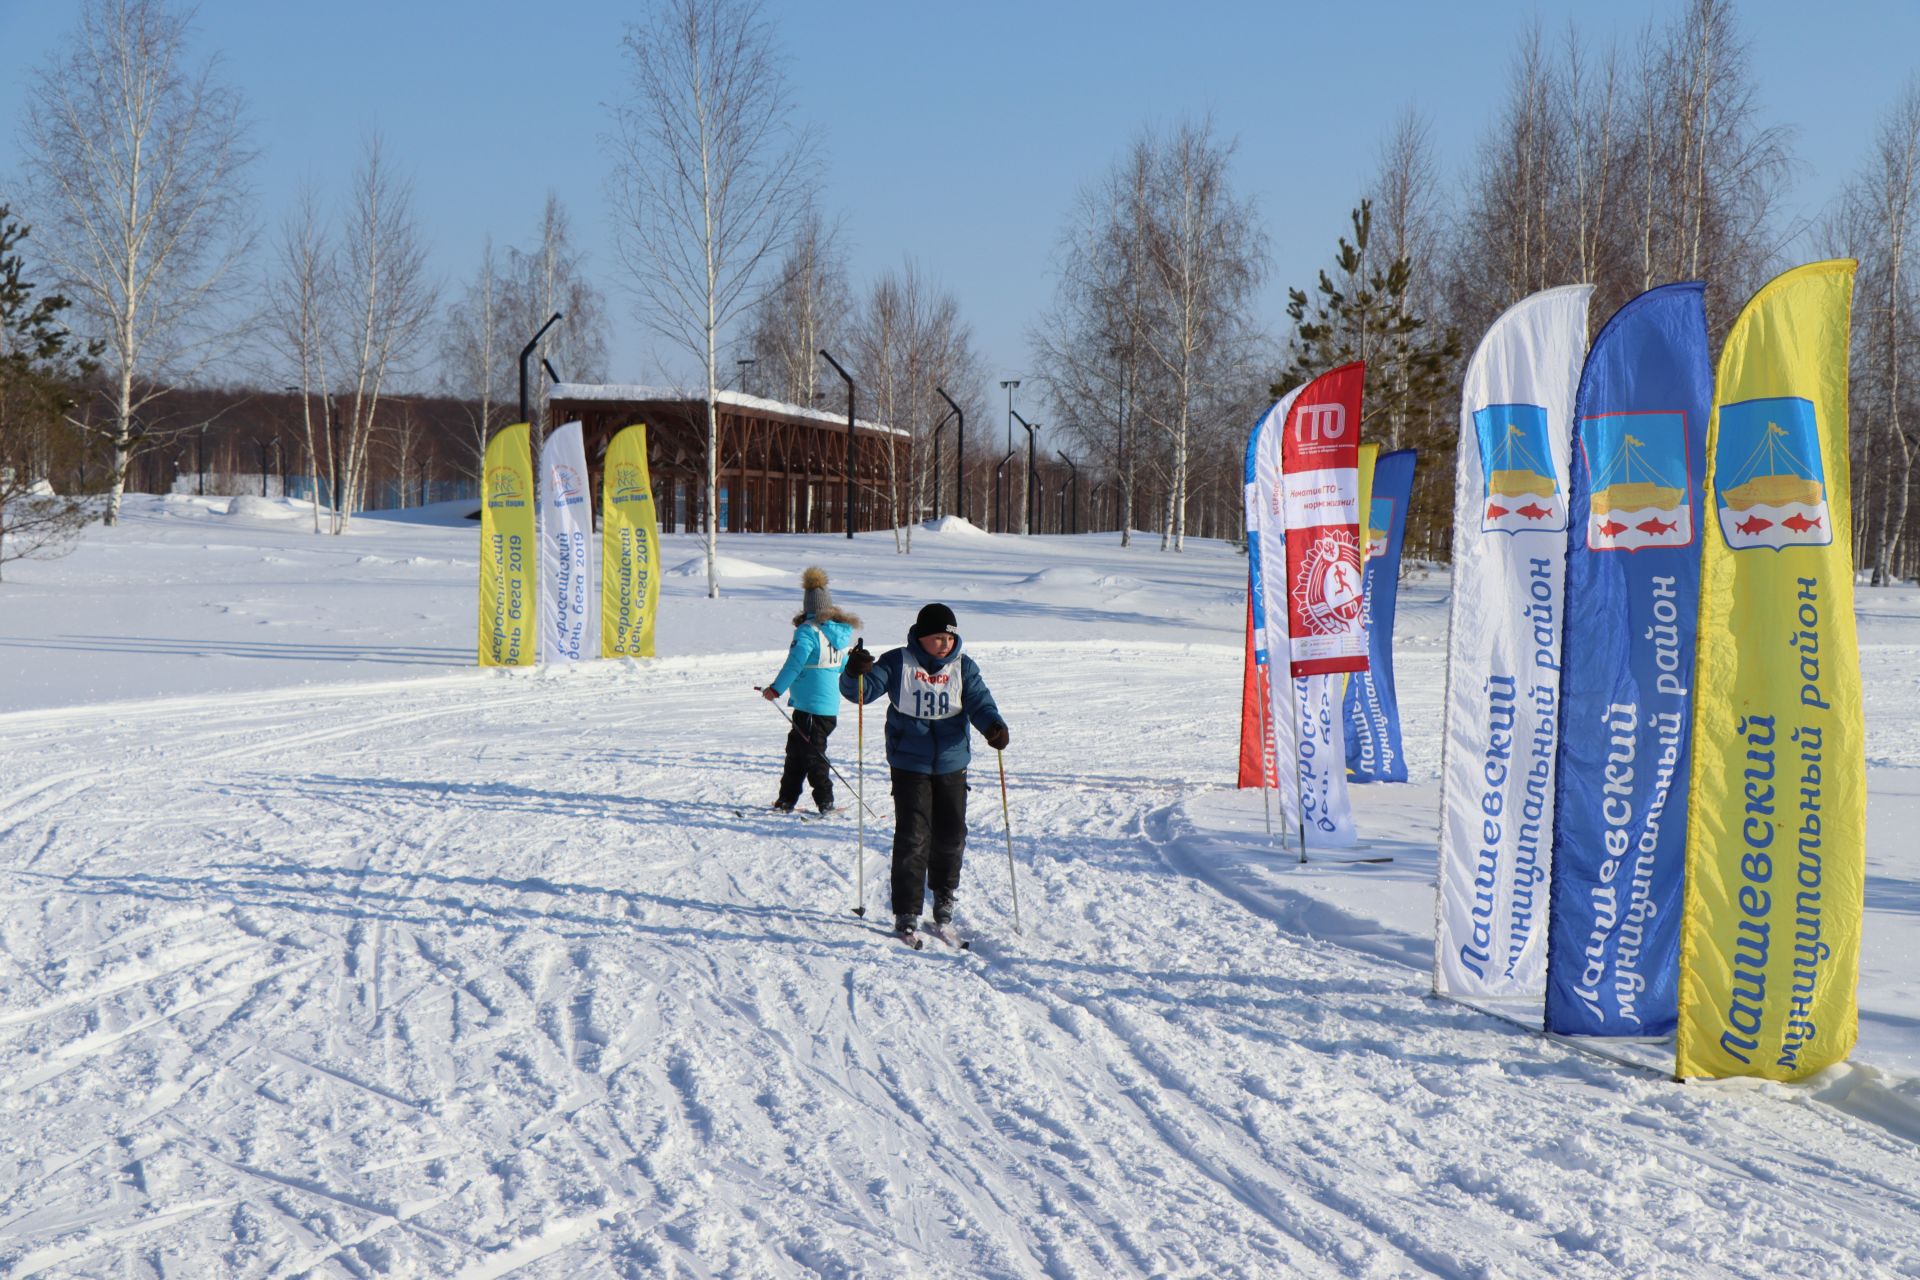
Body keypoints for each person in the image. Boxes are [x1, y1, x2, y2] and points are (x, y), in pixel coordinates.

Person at [840, 602, 1009, 940]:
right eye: (937, 638)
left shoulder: (963, 667)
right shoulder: (897, 661)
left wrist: (993, 725)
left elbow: (979, 701)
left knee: (951, 834)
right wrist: (854, 671)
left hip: (951, 761)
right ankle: (906, 909)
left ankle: (944, 896)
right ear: (921, 636)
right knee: (913, 836)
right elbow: (860, 693)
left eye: (949, 637)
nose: (945, 644)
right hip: (909, 762)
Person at [763, 567, 860, 813]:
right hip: (824, 709)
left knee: (812, 757)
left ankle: (825, 803)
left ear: (807, 608)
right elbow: (843, 666)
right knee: (796, 752)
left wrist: (775, 689)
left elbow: (795, 664)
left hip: (810, 708)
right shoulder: (836, 634)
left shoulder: (808, 631)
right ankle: (786, 800)